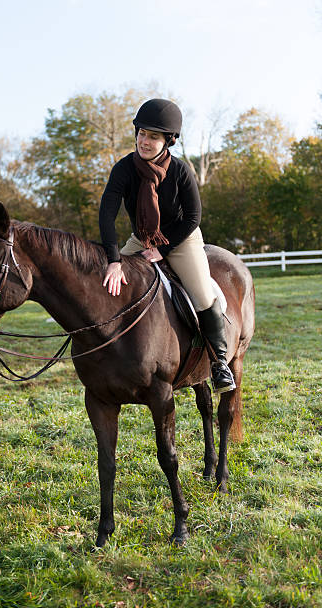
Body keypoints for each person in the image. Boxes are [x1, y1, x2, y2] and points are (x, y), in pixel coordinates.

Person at [99, 98, 235, 393]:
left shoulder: (181, 172)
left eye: (153, 136)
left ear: (168, 141)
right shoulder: (123, 170)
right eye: (142, 134)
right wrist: (113, 259)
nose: (144, 141)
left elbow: (193, 218)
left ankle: (219, 362)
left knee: (201, 294)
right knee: (109, 285)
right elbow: (106, 213)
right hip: (141, 238)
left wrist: (164, 249)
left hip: (181, 238)